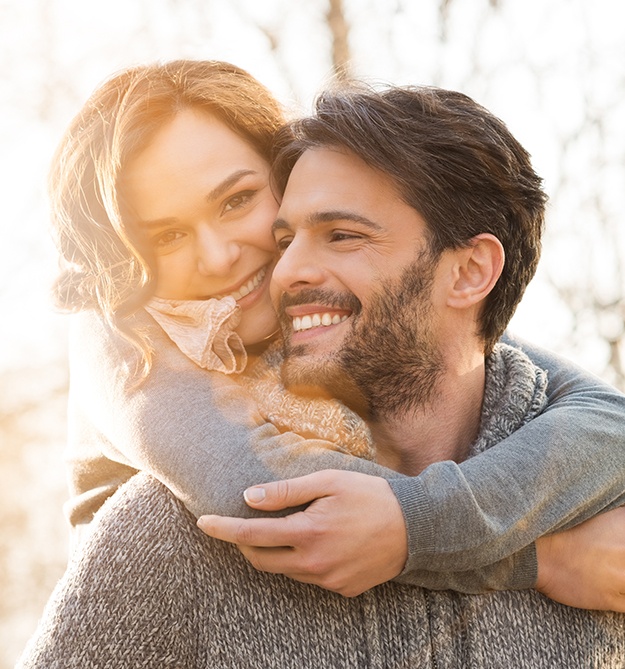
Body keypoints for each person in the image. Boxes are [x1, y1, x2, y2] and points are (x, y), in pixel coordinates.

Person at [18, 82, 625, 667]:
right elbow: (262, 496)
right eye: (168, 235)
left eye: (237, 201)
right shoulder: (127, 348)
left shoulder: (594, 518)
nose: (221, 256)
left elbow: (581, 403)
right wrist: (539, 561)